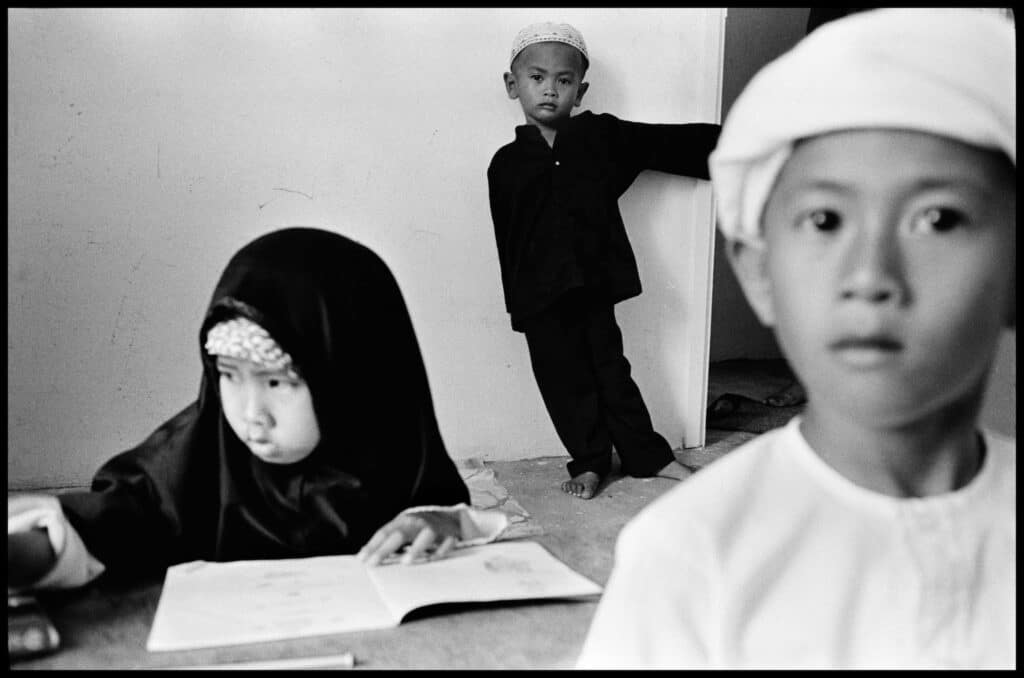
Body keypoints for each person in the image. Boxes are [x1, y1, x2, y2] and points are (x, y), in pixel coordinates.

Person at [578, 8, 1015, 669]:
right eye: (824, 218)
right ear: (759, 272)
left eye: (938, 218)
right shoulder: (692, 554)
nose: (871, 276)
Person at [8, 227, 507, 591]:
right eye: (228, 376)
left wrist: (439, 521)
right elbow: (106, 523)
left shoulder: (392, 455)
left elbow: (445, 510)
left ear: (353, 378)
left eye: (276, 381)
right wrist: (29, 553)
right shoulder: (195, 458)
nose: (253, 414)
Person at [487, 22, 721, 499]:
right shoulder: (505, 164)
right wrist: (518, 305)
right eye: (537, 78)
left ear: (581, 89)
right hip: (540, 298)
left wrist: (751, 142)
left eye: (564, 80)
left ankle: (648, 457)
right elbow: (504, 239)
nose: (550, 89)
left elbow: (672, 143)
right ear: (513, 85)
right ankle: (590, 461)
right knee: (563, 382)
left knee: (612, 372)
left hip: (593, 286)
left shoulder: (602, 137)